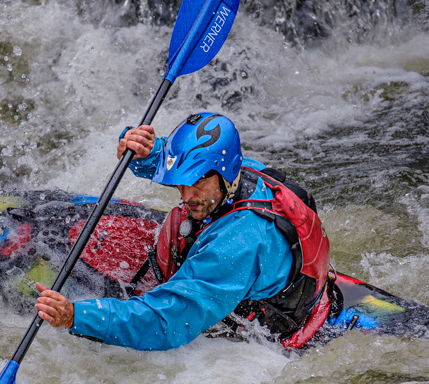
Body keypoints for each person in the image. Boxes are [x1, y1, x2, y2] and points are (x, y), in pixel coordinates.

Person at [35, 112, 336, 351]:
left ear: (224, 173)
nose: (186, 195)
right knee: (184, 216)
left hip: (265, 330)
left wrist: (77, 317)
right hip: (297, 288)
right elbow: (182, 160)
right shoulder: (244, 172)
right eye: (180, 183)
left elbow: (166, 322)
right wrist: (145, 152)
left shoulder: (236, 245)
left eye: (197, 184)